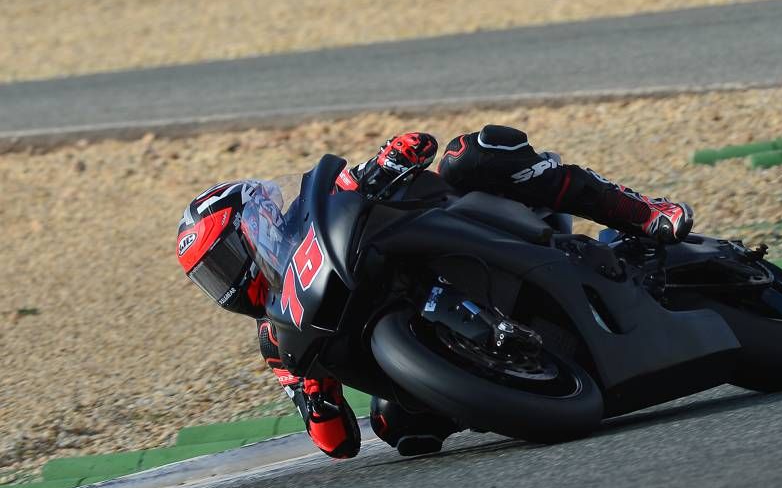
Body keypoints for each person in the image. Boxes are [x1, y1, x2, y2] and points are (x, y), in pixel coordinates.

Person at [177, 125, 694, 458]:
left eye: (222, 261)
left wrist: (390, 159)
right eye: (212, 278)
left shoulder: (320, 205)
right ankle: (506, 384)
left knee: (472, 153)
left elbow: (406, 148)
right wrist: (313, 392)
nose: (226, 282)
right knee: (398, 427)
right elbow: (337, 445)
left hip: (463, 223)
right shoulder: (281, 336)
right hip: (416, 334)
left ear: (257, 221)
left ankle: (642, 211)